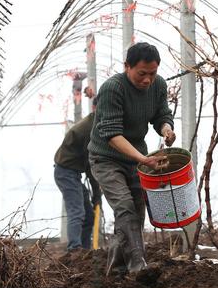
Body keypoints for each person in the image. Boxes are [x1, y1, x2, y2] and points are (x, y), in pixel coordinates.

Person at [88, 42, 176, 274]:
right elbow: (112, 135)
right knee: (124, 206)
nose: (147, 80)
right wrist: (143, 159)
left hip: (136, 158)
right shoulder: (112, 89)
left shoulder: (158, 86)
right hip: (105, 158)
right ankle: (138, 264)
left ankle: (116, 271)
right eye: (141, 74)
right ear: (127, 66)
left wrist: (166, 129)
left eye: (152, 73)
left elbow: (161, 115)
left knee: (135, 212)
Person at [54, 96, 101, 251]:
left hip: (73, 173)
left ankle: (85, 251)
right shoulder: (89, 129)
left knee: (88, 216)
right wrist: (97, 195)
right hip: (66, 172)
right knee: (77, 211)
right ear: (95, 108)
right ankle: (74, 248)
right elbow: (91, 164)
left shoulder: (96, 124)